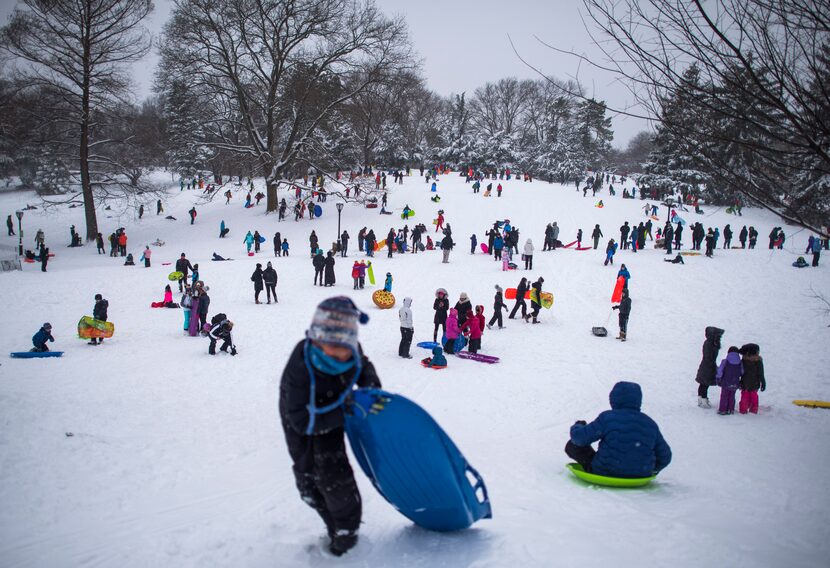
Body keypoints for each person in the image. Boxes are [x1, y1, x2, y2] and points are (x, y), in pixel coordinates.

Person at [278, 297, 380, 556]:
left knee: (335, 478)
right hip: (304, 420)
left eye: (342, 347)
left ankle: (345, 534)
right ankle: (329, 519)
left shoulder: (351, 348)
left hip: (334, 412)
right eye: (328, 345)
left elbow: (363, 365)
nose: (336, 352)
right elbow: (300, 421)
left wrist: (371, 386)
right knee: (308, 483)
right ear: (316, 339)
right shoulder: (301, 366)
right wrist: (344, 412)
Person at [565, 382, 672, 478]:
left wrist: (578, 426)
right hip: (641, 474)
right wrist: (651, 469)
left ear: (613, 399)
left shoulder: (607, 418)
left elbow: (579, 438)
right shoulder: (650, 423)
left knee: (573, 445)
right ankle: (636, 469)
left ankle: (609, 467)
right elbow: (665, 456)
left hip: (605, 472)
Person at [695, 327, 724, 408]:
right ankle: (703, 400)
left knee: (703, 383)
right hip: (708, 366)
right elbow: (708, 356)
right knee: (705, 384)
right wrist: (712, 365)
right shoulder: (710, 343)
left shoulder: (711, 342)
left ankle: (701, 400)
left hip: (707, 365)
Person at [715, 346, 743, 415]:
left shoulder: (725, 361)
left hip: (725, 382)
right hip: (735, 382)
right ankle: (731, 409)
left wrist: (718, 378)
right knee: (732, 396)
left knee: (724, 396)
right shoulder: (740, 363)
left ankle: (723, 410)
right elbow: (742, 372)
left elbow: (720, 371)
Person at [739, 343, 766, 414]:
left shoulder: (743, 361)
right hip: (753, 384)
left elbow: (740, 372)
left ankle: (743, 410)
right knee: (753, 398)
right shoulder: (758, 362)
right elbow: (761, 374)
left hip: (746, 384)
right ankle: (753, 410)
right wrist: (763, 382)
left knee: (745, 398)